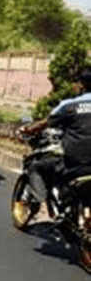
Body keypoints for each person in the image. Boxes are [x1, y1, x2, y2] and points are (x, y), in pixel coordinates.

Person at [19, 67, 91, 215]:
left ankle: (43, 211)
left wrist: (27, 129)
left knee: (36, 167)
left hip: (76, 163)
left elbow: (45, 122)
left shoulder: (70, 105)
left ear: (81, 85)